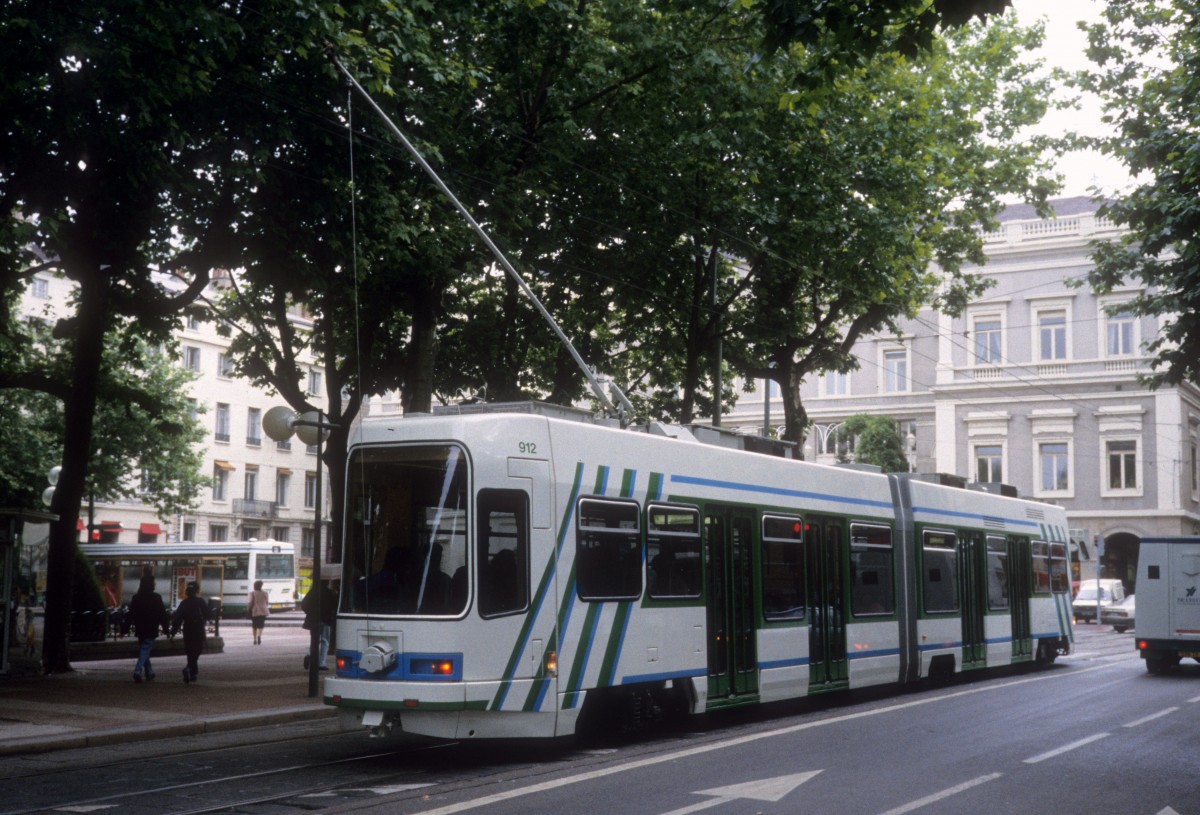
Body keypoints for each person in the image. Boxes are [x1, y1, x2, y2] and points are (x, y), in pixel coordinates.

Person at [125, 574, 169, 683]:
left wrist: (124, 629)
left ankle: (149, 672)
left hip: (140, 627)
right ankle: (137, 671)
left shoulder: (136, 598)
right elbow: (162, 614)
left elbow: (130, 614)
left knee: (144, 650)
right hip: (151, 627)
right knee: (145, 650)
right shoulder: (156, 597)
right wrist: (166, 629)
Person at [171, 582, 212, 684]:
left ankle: (193, 673)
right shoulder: (200, 601)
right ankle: (189, 668)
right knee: (197, 649)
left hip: (187, 628)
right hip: (198, 628)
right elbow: (208, 614)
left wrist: (173, 632)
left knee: (190, 651)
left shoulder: (184, 603)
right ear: (196, 590)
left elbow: (178, 618)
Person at [301, 578, 339, 671]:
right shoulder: (331, 593)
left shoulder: (313, 592)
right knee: (325, 641)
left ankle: (309, 654)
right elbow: (335, 606)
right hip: (326, 619)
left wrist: (310, 612)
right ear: (327, 583)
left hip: (314, 619)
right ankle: (321, 663)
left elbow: (304, 604)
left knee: (315, 639)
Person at [247, 580, 269, 645]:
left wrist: (248, 609)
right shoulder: (265, 593)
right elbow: (267, 602)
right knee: (261, 625)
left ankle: (254, 639)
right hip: (263, 610)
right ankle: (259, 635)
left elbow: (250, 602)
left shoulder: (252, 593)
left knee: (254, 626)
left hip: (255, 611)